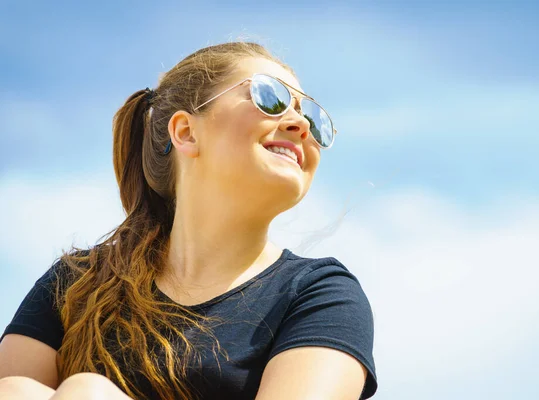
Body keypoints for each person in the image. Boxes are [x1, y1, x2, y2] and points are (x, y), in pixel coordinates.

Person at [0, 42, 377, 400]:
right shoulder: (76, 282)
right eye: (271, 97)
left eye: (312, 116)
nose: (301, 125)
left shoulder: (321, 297)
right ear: (185, 132)